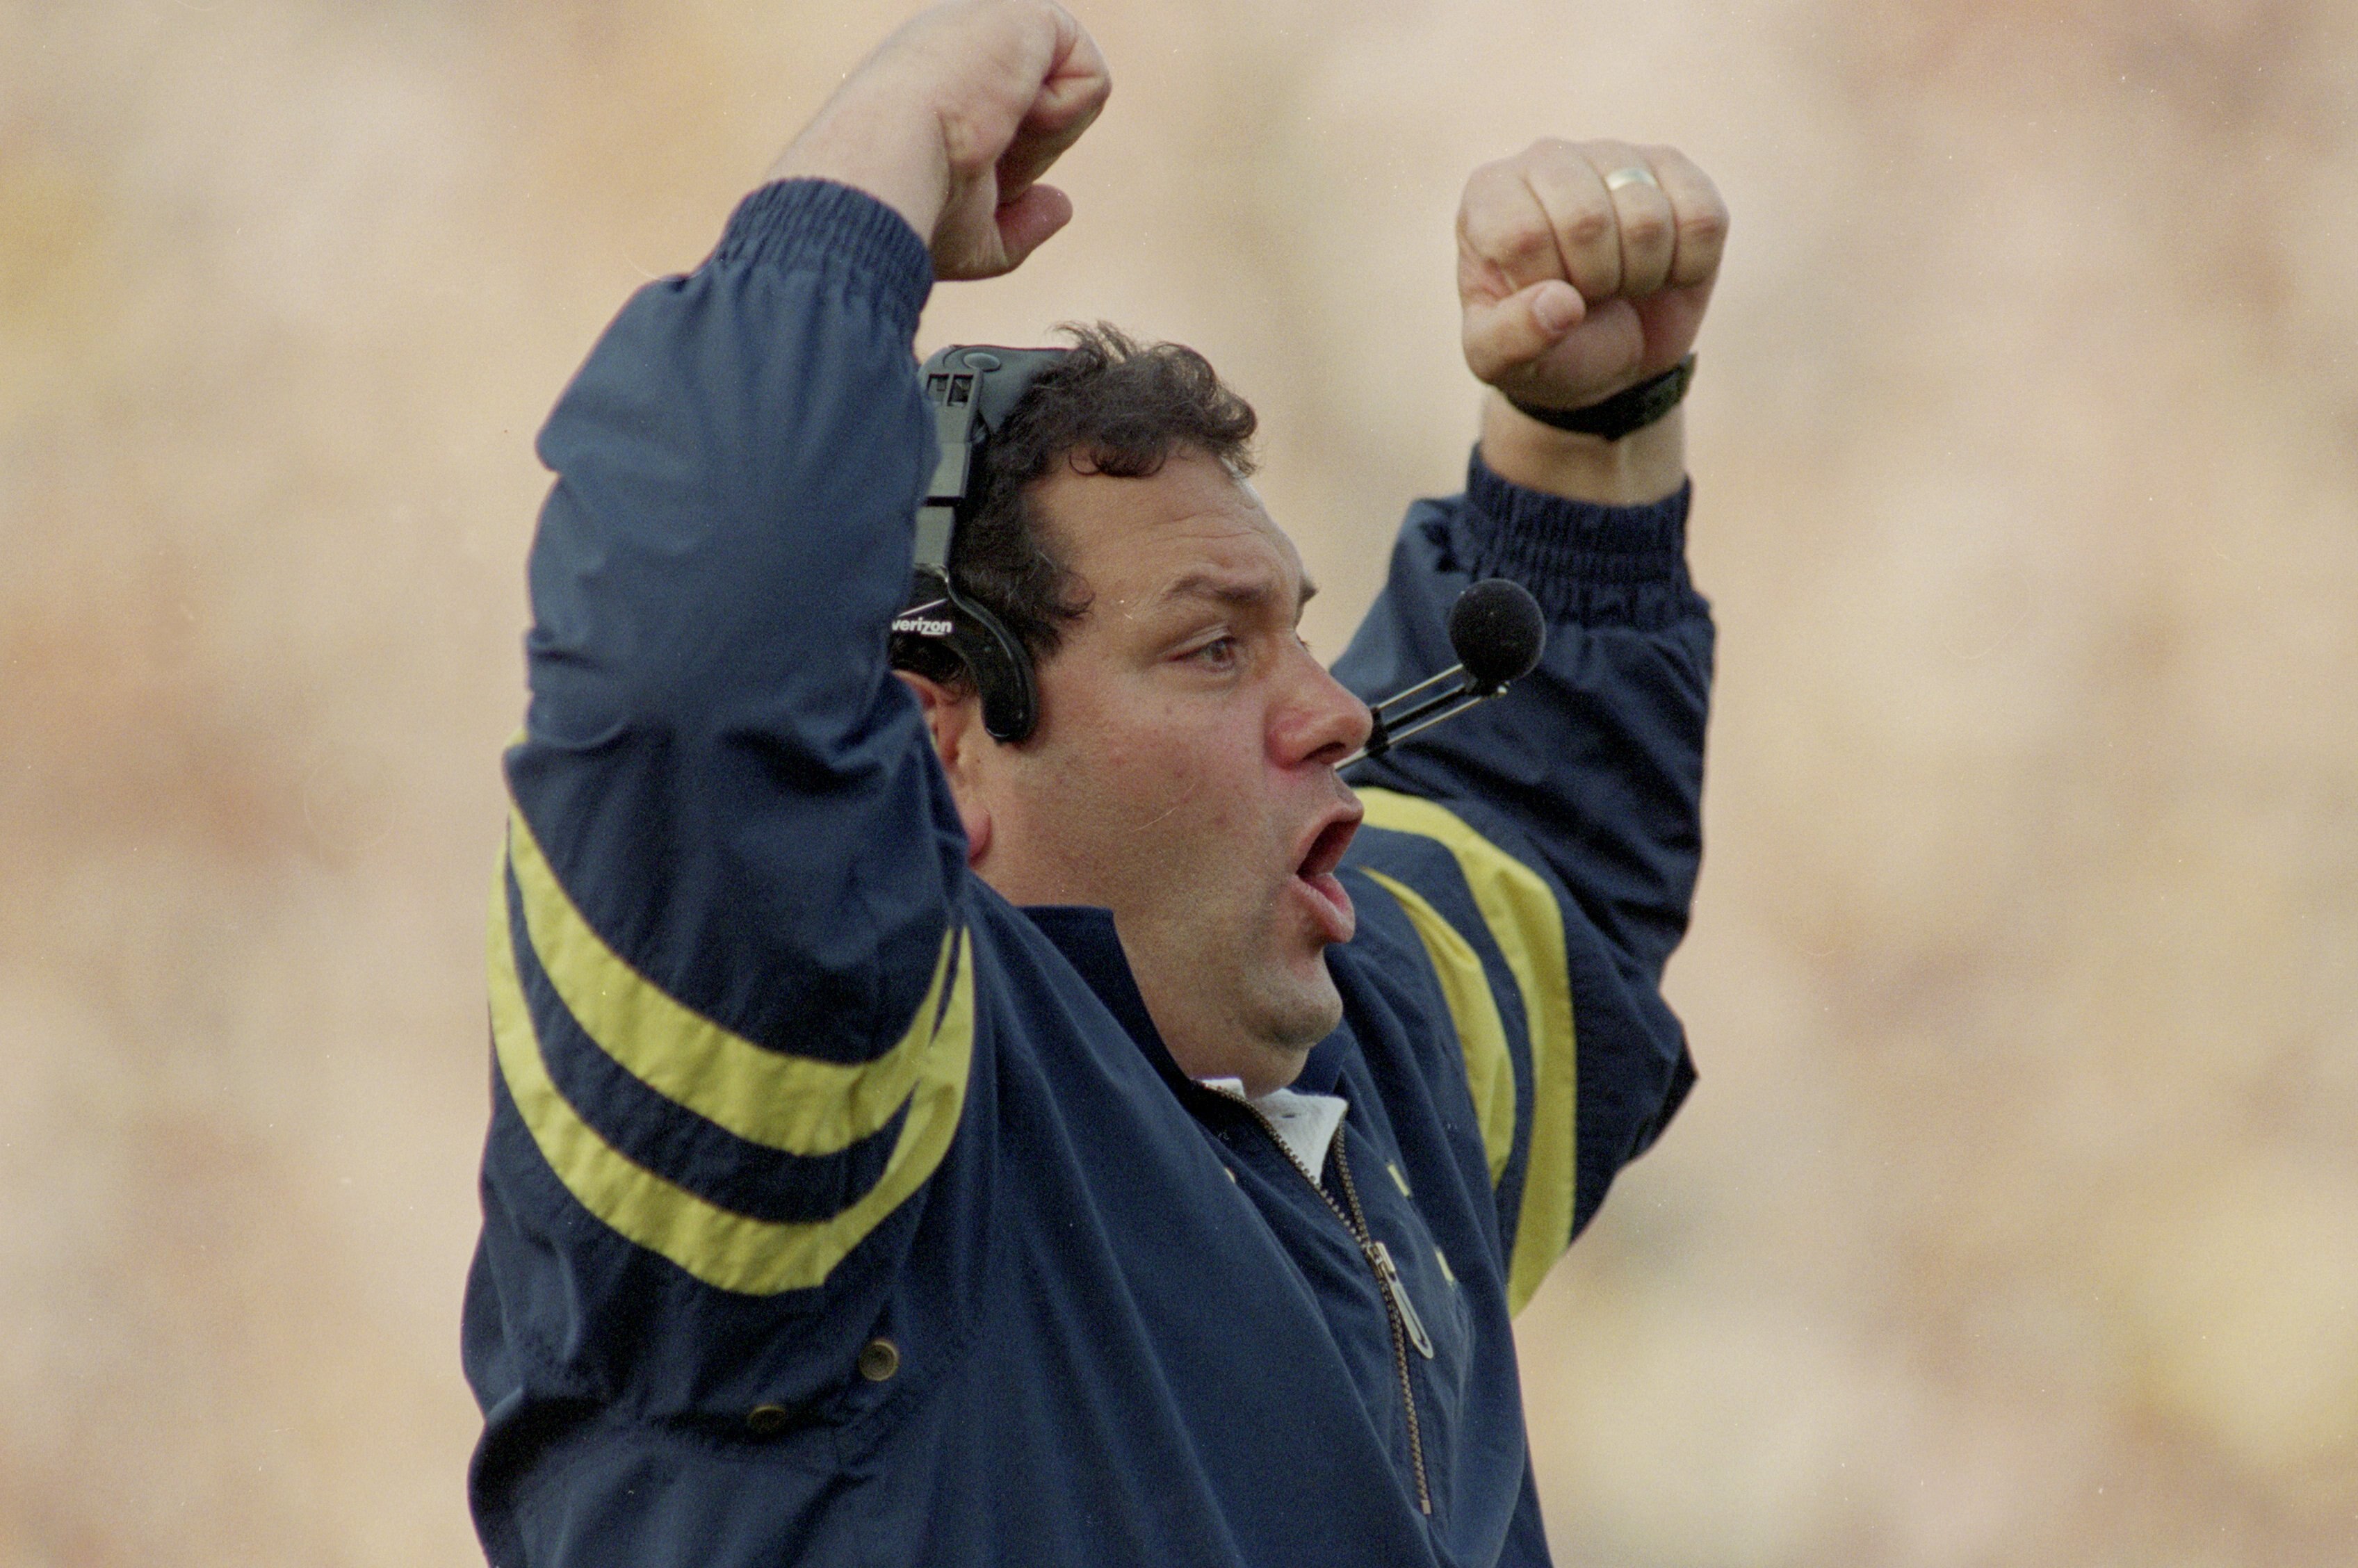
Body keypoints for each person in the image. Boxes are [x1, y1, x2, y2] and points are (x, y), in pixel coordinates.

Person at [462, 2, 1724, 1562]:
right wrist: (872, 164)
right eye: (1212, 650)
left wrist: (1585, 431)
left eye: (1298, 635)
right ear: (940, 745)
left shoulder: (1363, 1066)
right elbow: (695, 676)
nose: (1333, 712)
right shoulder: (820, 1122)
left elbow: (1538, 882)